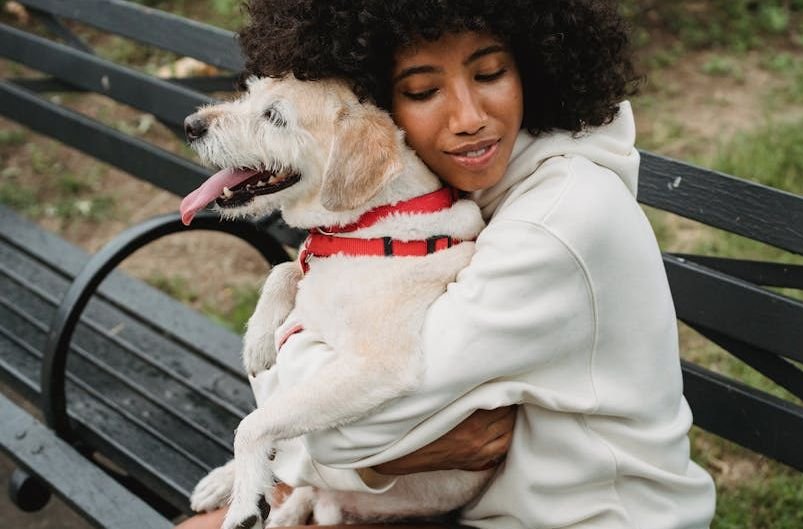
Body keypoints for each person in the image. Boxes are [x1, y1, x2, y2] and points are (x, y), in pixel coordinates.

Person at [178, 1, 716, 528]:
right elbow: (367, 428)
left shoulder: (557, 219)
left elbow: (367, 408)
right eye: (423, 90)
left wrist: (339, 453)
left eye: (491, 73)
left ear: (532, 67)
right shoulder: (464, 187)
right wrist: (379, 457)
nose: (469, 118)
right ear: (381, 106)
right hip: (464, 503)